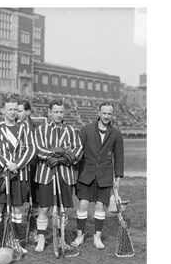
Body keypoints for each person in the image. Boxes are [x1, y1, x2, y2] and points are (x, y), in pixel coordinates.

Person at [0, 98, 36, 252]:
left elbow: (31, 149)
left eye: (15, 109)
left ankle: (14, 240)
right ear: (3, 111)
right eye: (10, 109)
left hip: (19, 174)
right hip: (0, 173)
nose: (13, 112)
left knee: (17, 209)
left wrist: (17, 164)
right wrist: (7, 163)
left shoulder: (24, 128)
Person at [72, 101, 124, 249]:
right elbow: (78, 152)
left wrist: (118, 178)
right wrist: (74, 173)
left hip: (105, 176)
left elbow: (119, 157)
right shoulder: (86, 130)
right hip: (86, 174)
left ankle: (97, 238)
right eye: (104, 113)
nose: (107, 116)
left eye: (109, 113)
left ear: (112, 115)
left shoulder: (116, 134)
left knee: (100, 206)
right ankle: (79, 236)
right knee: (83, 204)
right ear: (99, 113)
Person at [33, 100, 82, 252]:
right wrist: (57, 152)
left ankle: (61, 239)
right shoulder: (40, 129)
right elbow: (38, 149)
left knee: (63, 209)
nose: (58, 115)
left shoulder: (71, 130)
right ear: (49, 112)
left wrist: (63, 158)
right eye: (55, 112)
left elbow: (78, 149)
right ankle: (41, 239)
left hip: (65, 174)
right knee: (44, 209)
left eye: (61, 112)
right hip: (46, 174)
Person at [18, 99, 39, 244]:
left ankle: (33, 230)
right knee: (15, 201)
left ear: (27, 112)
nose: (16, 113)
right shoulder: (11, 127)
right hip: (17, 170)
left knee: (35, 202)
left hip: (33, 169)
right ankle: (11, 230)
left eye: (19, 111)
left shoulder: (36, 128)